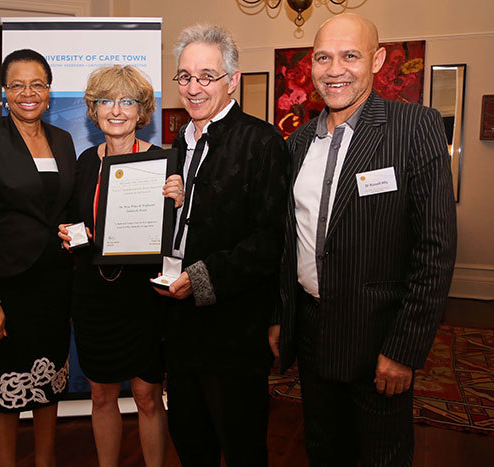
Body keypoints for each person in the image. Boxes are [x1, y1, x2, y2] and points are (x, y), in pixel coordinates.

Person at [271, 13, 457, 466]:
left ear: (376, 60)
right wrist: (281, 317)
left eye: (349, 56)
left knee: (381, 455)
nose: (335, 70)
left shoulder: (415, 126)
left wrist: (403, 349)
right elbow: (285, 241)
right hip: (312, 330)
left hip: (379, 336)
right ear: (310, 66)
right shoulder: (296, 143)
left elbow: (435, 250)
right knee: (322, 447)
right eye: (323, 58)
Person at [154, 24, 291, 467]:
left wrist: (201, 278)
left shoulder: (263, 142)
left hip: (234, 331)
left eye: (207, 76)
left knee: (242, 446)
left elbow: (271, 241)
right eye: (185, 77)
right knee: (190, 441)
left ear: (232, 80)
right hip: (180, 327)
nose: (194, 88)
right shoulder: (178, 144)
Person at [0, 49, 76, 467]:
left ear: (49, 91)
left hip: (52, 287)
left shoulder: (62, 140)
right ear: (4, 92)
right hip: (1, 285)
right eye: (18, 85)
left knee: (48, 383)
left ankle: (46, 460)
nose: (29, 93)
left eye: (38, 84)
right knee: (2, 387)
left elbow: (65, 211)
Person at [58, 65, 183, 467]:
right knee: (101, 395)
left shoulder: (163, 163)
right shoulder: (83, 162)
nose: (116, 110)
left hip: (143, 294)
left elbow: (184, 236)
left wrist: (179, 204)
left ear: (141, 110)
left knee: (147, 396)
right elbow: (77, 222)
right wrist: (69, 233)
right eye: (105, 101)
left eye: (127, 101)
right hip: (93, 296)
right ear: (93, 111)